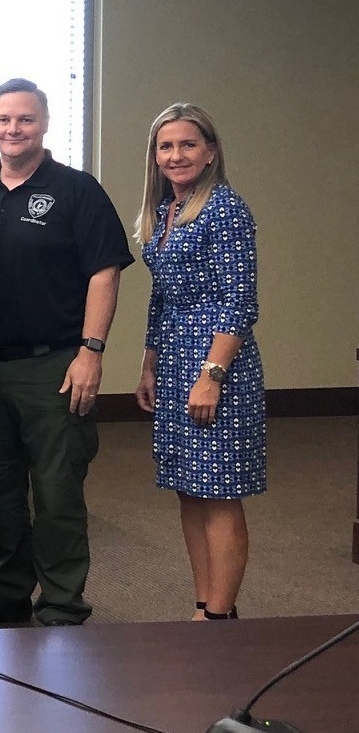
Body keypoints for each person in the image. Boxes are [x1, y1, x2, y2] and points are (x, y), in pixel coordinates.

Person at [0, 79, 135, 627]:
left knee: (57, 491)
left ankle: (62, 601)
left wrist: (92, 351)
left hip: (55, 365)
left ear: (45, 124)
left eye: (25, 120)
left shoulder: (77, 190)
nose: (14, 129)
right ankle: (8, 589)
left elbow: (104, 273)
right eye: (4, 120)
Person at [132, 103, 264, 621]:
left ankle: (219, 617)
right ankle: (205, 607)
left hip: (216, 362)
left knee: (221, 492)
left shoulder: (225, 208)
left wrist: (212, 376)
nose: (176, 155)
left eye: (188, 144)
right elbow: (160, 297)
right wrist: (149, 364)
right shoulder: (162, 212)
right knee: (190, 489)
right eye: (166, 146)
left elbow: (240, 302)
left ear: (210, 152)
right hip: (173, 356)